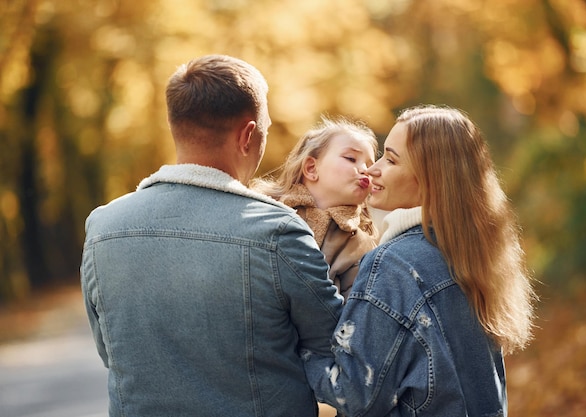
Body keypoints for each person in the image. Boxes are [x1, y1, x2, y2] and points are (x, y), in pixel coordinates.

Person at [80, 54, 343, 417]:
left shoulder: (102, 228)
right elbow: (337, 344)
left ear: (175, 125)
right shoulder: (277, 231)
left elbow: (111, 352)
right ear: (249, 134)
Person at [301, 105, 536, 416]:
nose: (372, 170)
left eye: (391, 159)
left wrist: (297, 346)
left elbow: (353, 393)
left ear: (430, 179)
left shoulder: (393, 264)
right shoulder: (470, 256)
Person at [252, 117, 379, 299]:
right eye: (351, 158)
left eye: (370, 165)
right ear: (311, 168)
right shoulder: (265, 211)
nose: (365, 169)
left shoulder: (360, 245)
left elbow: (351, 310)